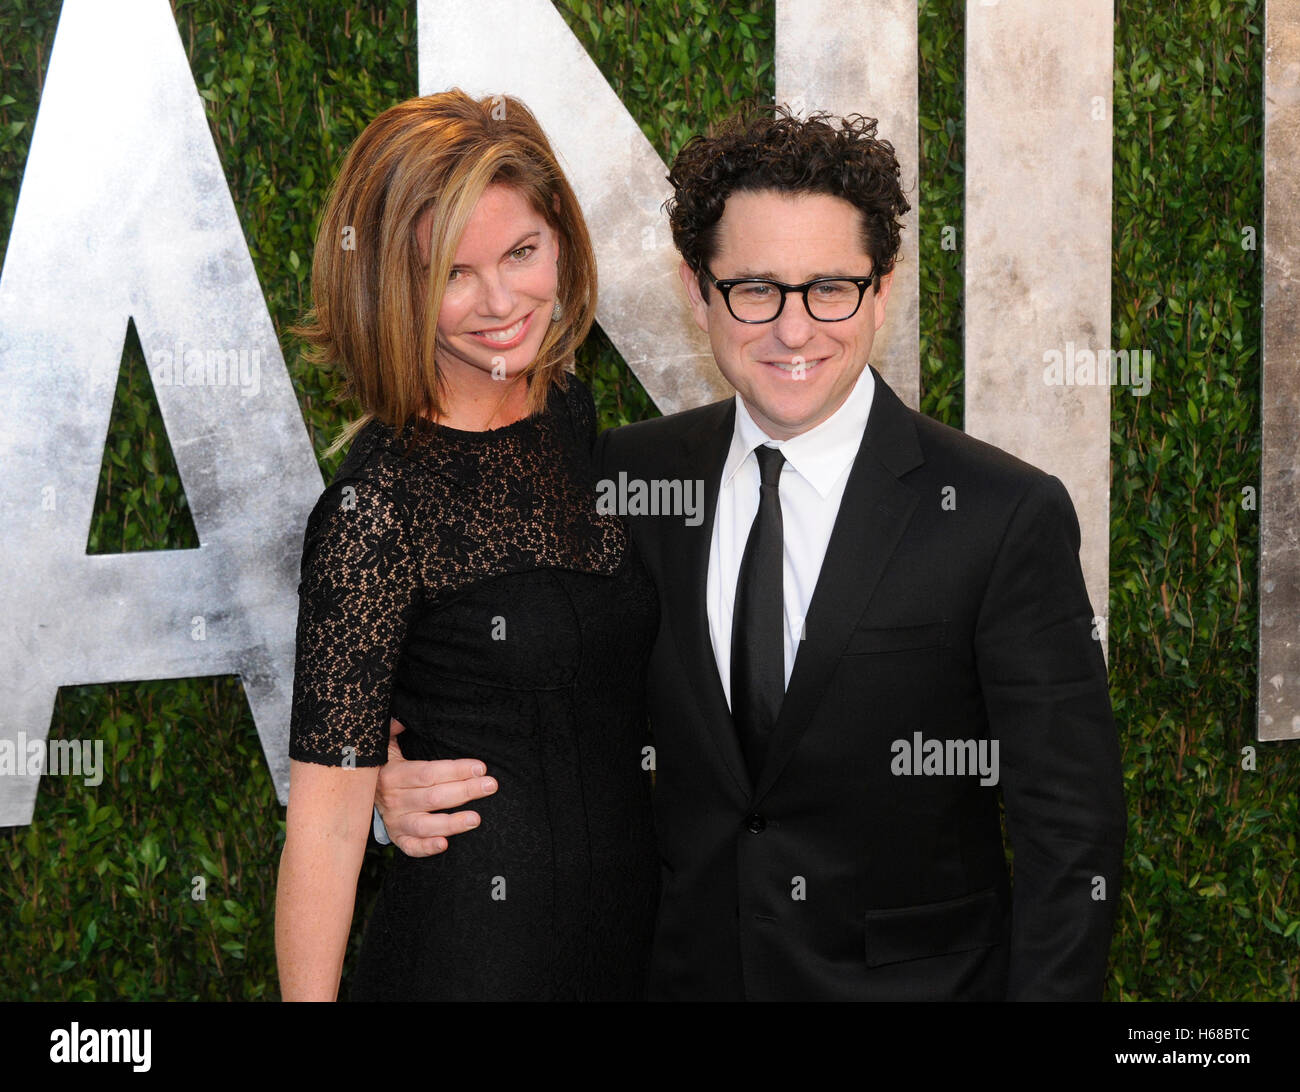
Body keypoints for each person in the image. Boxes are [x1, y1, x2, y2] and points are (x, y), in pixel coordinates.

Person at [376, 107, 1126, 1001]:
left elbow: (1070, 831)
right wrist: (383, 787)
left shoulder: (1002, 516)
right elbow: (524, 689)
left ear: (882, 289)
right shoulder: (624, 478)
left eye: (830, 288)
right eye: (756, 289)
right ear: (698, 292)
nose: (795, 329)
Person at [274, 90, 659, 1001]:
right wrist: (373, 792)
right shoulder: (376, 512)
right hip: (468, 963)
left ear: (560, 236)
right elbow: (323, 833)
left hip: (628, 960)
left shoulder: (567, 412)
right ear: (395, 286)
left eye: (522, 252)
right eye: (453, 271)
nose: (500, 303)